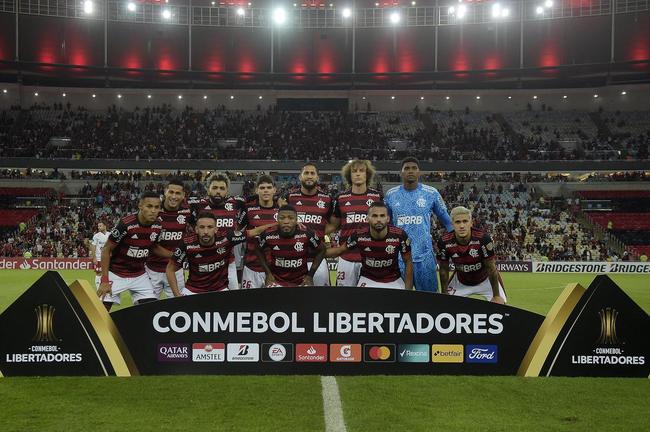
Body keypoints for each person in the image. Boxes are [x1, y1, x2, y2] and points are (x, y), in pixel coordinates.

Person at [384, 157, 453, 292]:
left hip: (425, 256)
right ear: (401, 173)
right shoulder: (390, 195)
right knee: (401, 302)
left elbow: (448, 222)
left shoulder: (431, 193)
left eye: (414, 168)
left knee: (429, 300)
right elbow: (386, 225)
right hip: (400, 257)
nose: (410, 171)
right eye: (407, 168)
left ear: (419, 172)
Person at [96, 191, 172, 311]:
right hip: (115, 273)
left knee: (150, 312)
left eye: (157, 207)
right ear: (140, 206)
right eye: (149, 206)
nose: (153, 210)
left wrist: (174, 255)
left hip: (139, 275)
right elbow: (106, 249)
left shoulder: (158, 226)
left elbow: (153, 247)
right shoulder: (126, 224)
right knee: (101, 313)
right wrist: (105, 280)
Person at [166, 211, 269, 295]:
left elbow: (253, 232)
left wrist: (278, 223)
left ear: (216, 229)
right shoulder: (186, 243)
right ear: (196, 229)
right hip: (193, 290)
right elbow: (170, 269)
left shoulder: (226, 237)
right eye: (202, 227)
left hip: (220, 290)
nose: (206, 231)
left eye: (210, 227)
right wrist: (177, 296)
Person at [326, 201, 413, 290]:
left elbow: (408, 261)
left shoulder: (400, 235)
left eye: (382, 216)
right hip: (368, 279)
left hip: (393, 280)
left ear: (388, 218)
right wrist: (317, 252)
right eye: (375, 216)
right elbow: (339, 250)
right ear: (367, 219)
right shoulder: (359, 235)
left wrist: (409, 290)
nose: (379, 219)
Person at [327, 159, 382, 287]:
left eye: (361, 171)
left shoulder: (377, 197)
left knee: (369, 300)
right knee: (345, 301)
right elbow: (333, 226)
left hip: (371, 257)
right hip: (346, 258)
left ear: (367, 175)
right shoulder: (340, 198)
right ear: (349, 175)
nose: (358, 174)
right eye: (354, 171)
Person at [437, 206, 506, 304]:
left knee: (501, 307)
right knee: (445, 306)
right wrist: (444, 293)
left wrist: (496, 296)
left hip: (485, 280)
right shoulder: (444, 241)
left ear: (471, 223)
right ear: (452, 224)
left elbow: (491, 268)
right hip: (461, 281)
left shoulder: (483, 239)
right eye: (457, 222)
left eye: (465, 221)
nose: (462, 226)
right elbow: (443, 269)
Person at [188, 172, 246, 290]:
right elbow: (193, 228)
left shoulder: (236, 204)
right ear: (208, 190)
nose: (218, 191)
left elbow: (242, 223)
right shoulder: (198, 205)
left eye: (222, 188)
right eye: (214, 188)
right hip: (202, 261)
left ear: (227, 191)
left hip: (228, 261)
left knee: (234, 296)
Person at [282, 163, 334, 286]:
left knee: (319, 301)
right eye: (306, 173)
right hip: (293, 260)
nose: (309, 176)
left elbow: (335, 224)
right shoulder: (290, 197)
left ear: (317, 177)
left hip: (318, 259)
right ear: (300, 177)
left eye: (312, 173)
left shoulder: (327, 199)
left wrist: (320, 232)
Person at [254, 205, 326, 287]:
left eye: (291, 218)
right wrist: (268, 274)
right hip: (277, 281)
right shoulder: (268, 234)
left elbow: (322, 249)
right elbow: (257, 250)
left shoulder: (307, 233)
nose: (286, 221)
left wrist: (310, 275)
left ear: (296, 220)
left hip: (301, 281)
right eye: (282, 218)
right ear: (277, 219)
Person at [145, 178, 191, 299]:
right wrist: (175, 255)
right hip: (152, 270)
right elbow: (150, 245)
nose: (174, 196)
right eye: (171, 192)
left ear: (183, 195)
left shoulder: (188, 212)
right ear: (165, 192)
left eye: (178, 193)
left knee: (179, 308)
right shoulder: (154, 211)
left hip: (176, 270)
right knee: (146, 308)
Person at [240, 175, 280, 289]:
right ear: (257, 190)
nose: (266, 190)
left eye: (268, 187)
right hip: (251, 268)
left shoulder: (282, 210)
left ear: (274, 189)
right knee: (249, 305)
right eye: (262, 188)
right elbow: (237, 232)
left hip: (275, 269)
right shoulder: (248, 209)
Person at [89, 222, 109, 289]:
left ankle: (107, 288)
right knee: (98, 273)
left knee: (108, 273)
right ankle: (98, 289)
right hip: (99, 258)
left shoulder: (110, 235)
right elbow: (93, 246)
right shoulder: (96, 236)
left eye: (100, 226)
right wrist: (94, 257)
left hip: (108, 258)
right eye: (98, 226)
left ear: (105, 226)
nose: (98, 227)